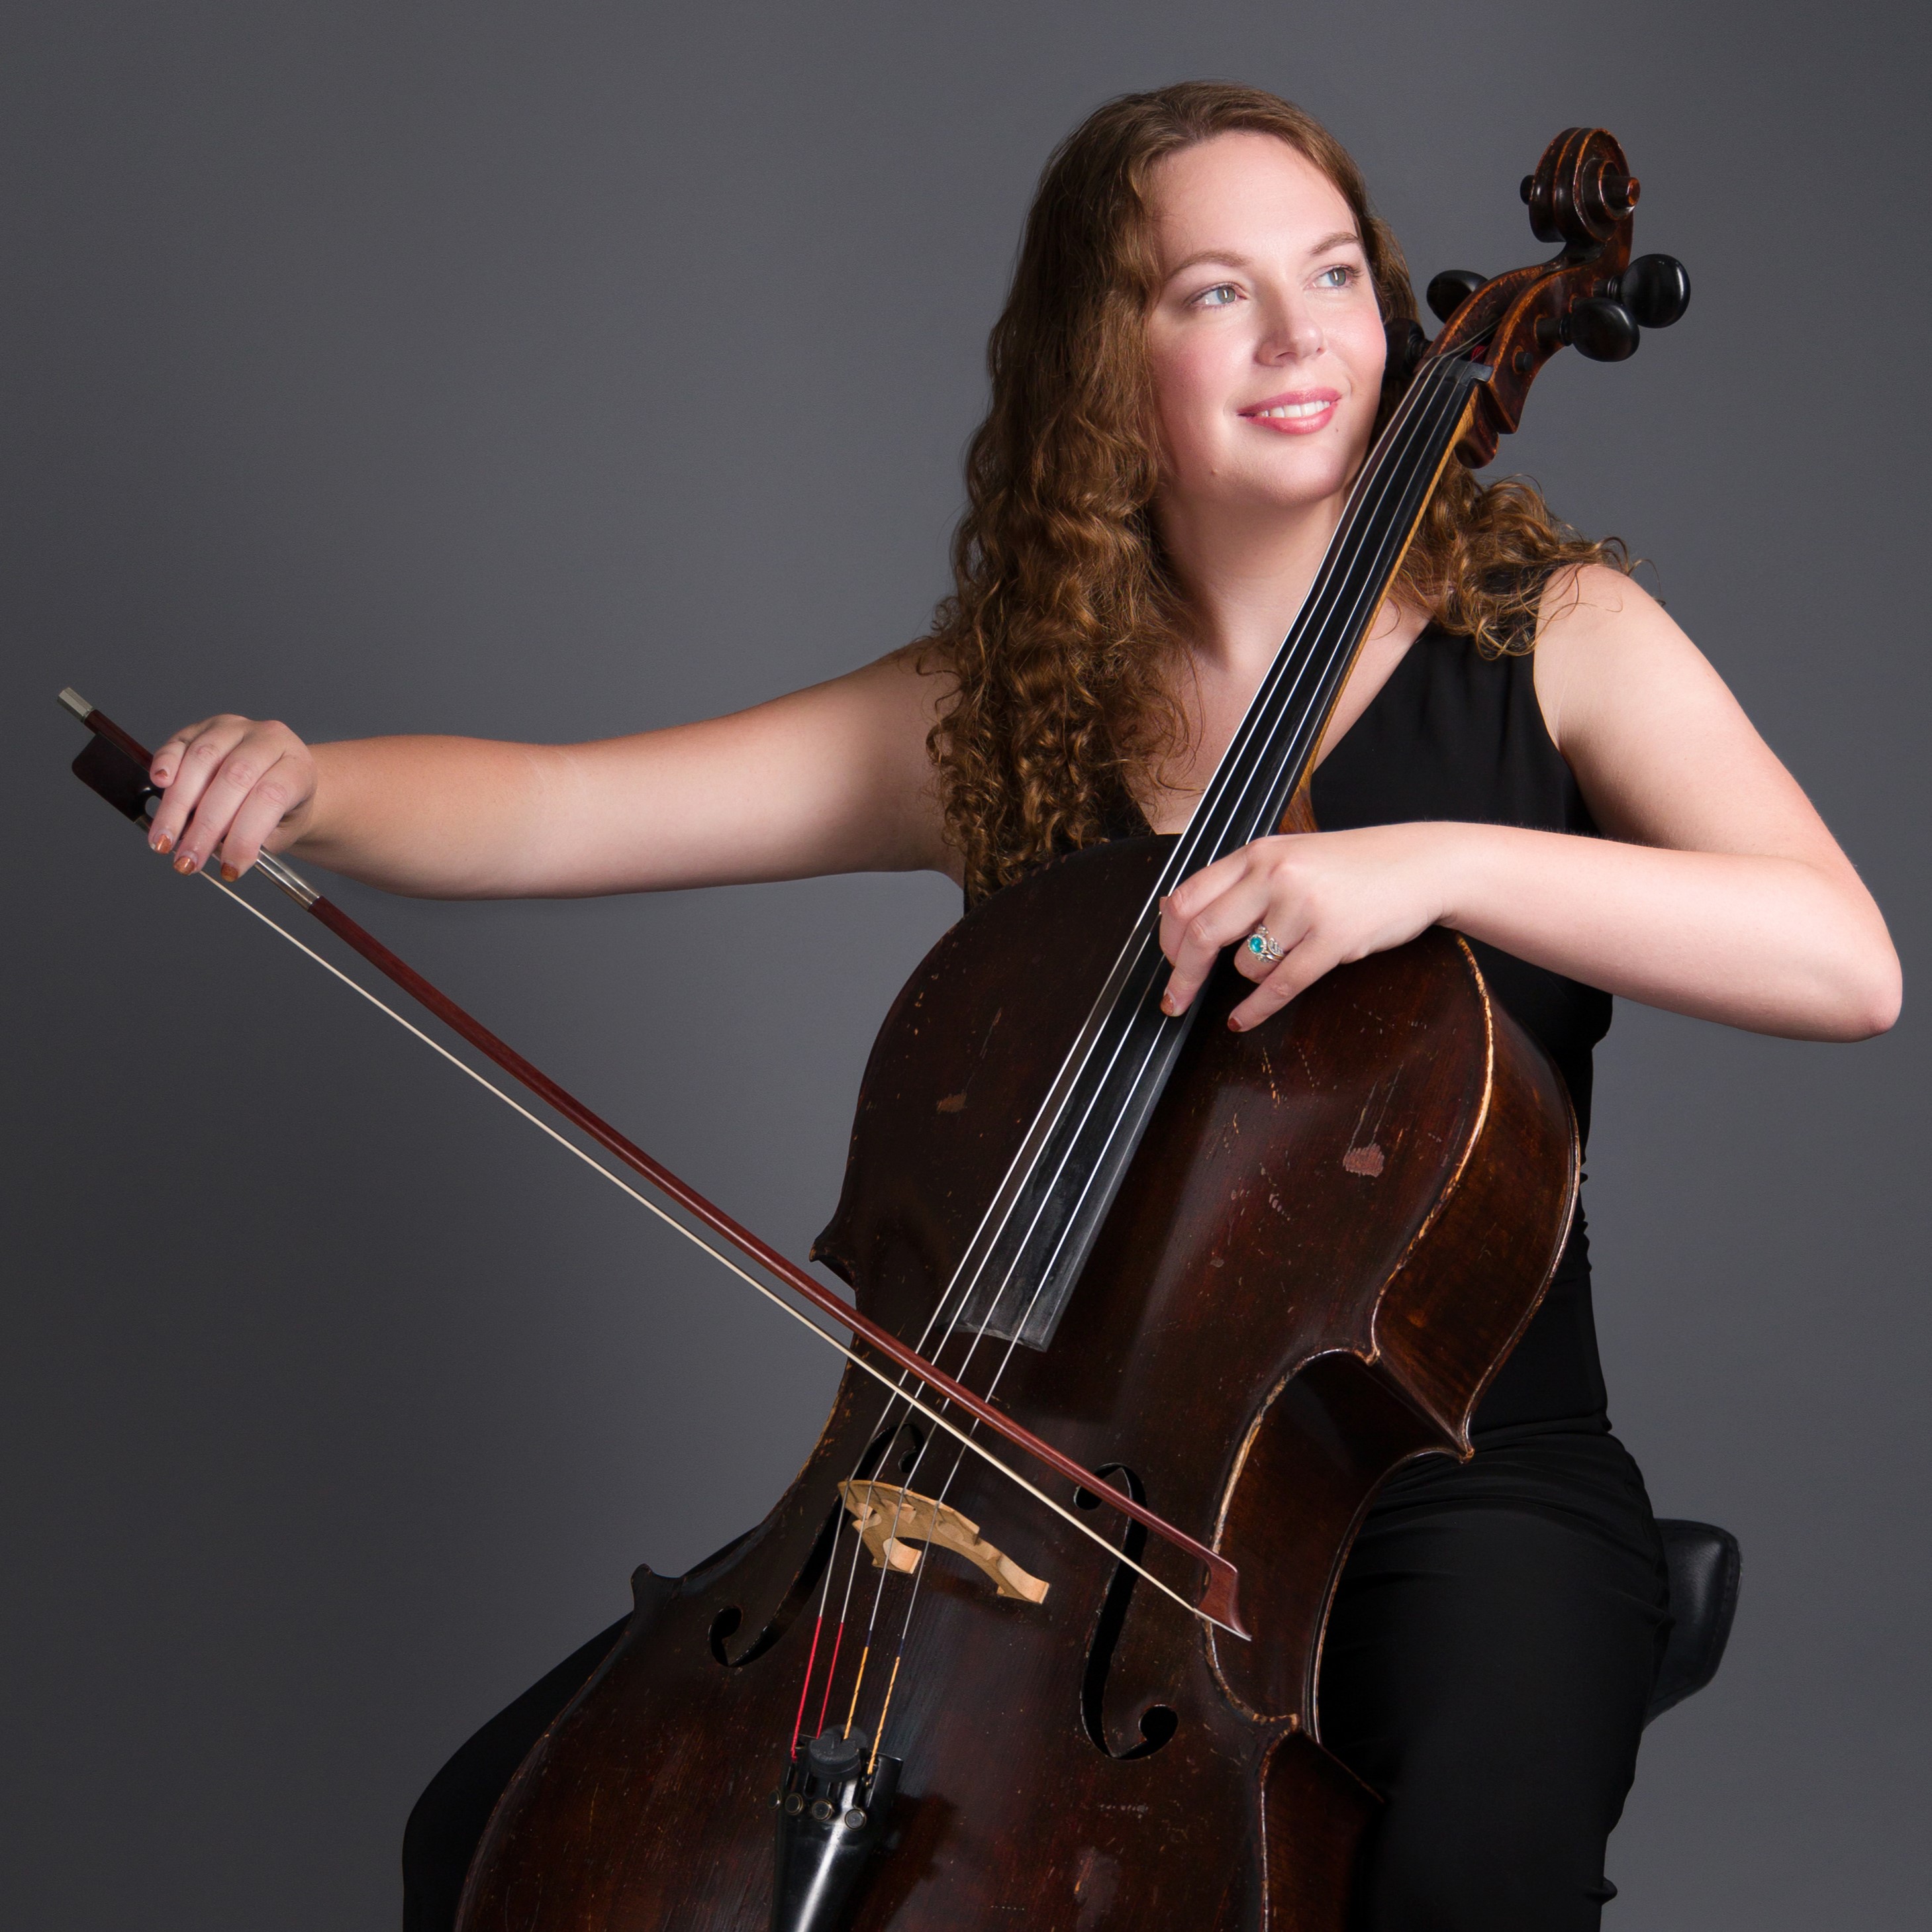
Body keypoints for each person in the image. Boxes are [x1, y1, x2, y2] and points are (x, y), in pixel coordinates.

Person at [140, 81, 1898, 1932]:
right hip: (1025, 1492)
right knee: (509, 1832)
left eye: (1332, 273)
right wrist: (311, 782)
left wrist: (1435, 866)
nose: (1304, 334)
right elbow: (571, 806)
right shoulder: (1009, 710)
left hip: (1445, 1482)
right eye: (1214, 292)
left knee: (1467, 1891)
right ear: (1102, 359)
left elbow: (1843, 961)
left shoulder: (1553, 639)